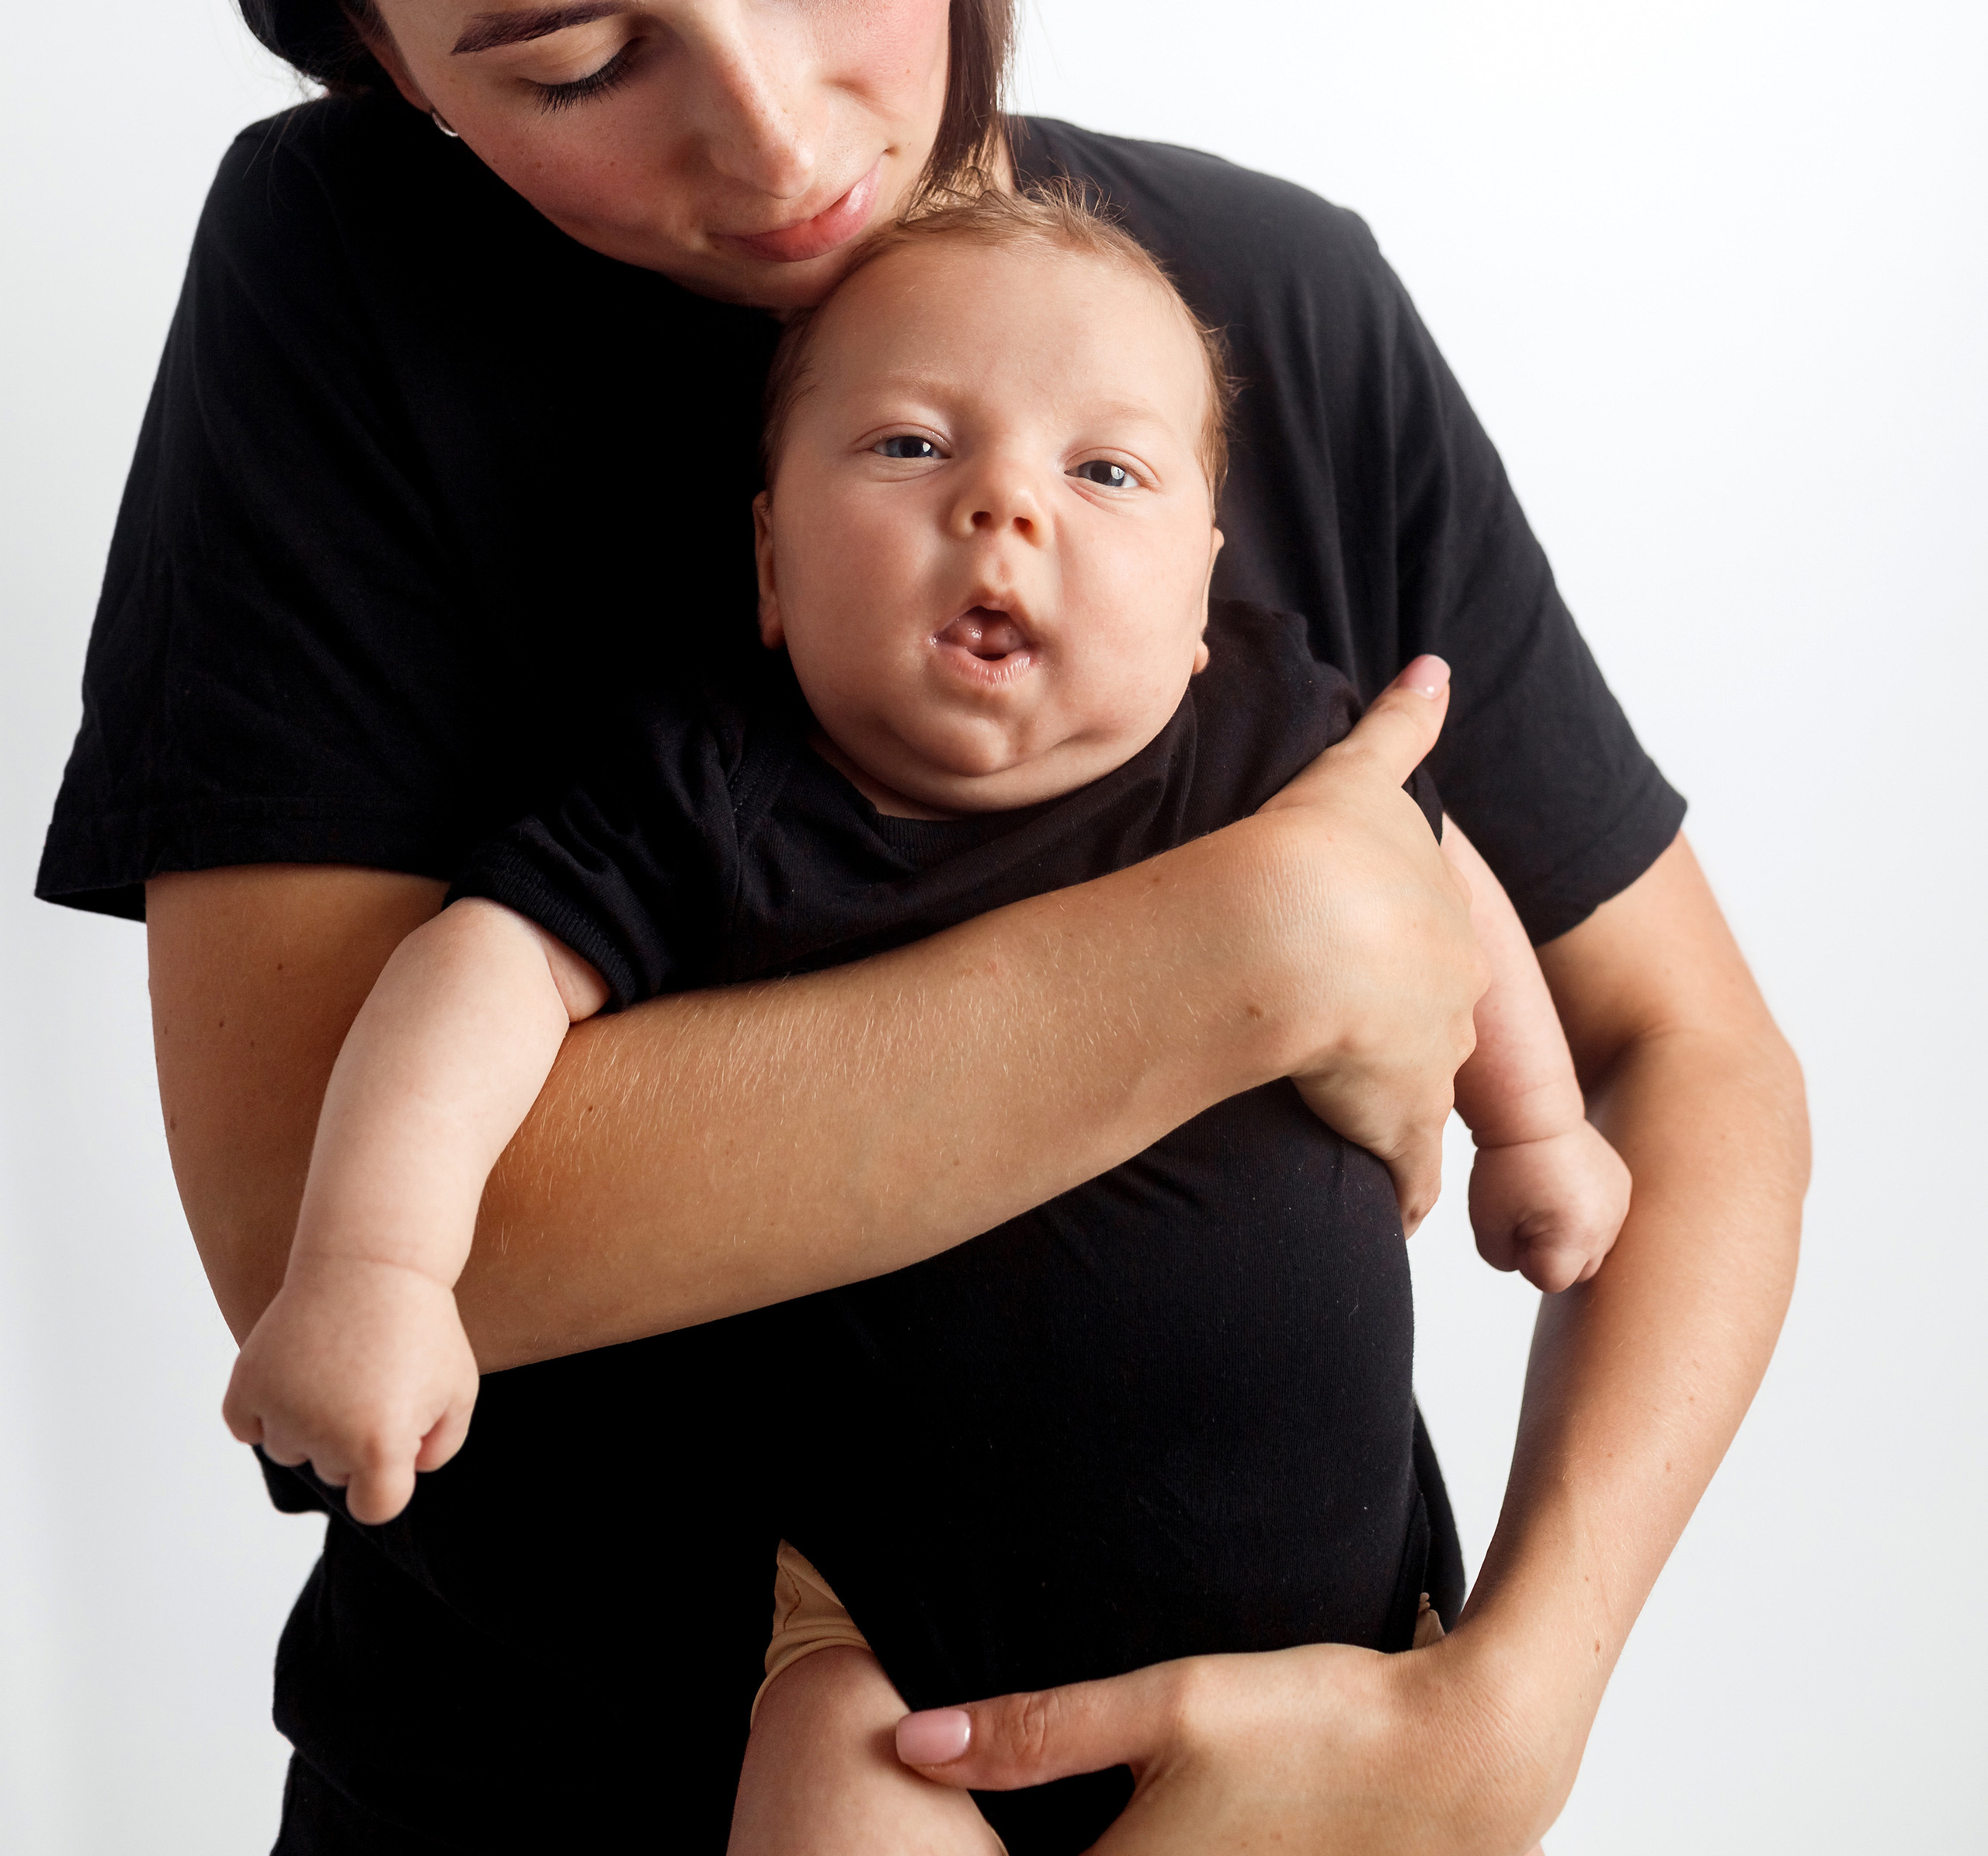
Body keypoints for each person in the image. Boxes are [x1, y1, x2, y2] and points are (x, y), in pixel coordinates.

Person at [36, 0, 1807, 1855]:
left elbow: (1692, 1067)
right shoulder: (348, 296)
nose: (776, 141)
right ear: (385, 65)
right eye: (569, 63)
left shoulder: (1266, 305)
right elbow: (321, 1225)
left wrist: (1512, 1704)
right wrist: (1253, 954)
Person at [220, 188, 1632, 1856]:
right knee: (830, 1773)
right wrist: (373, 1270)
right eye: (904, 448)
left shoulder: (1270, 735)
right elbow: (476, 974)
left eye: (1103, 473)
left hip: (1323, 1648)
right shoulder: (718, 792)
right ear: (765, 558)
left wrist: (1528, 1127)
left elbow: (1435, 878)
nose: (1001, 508)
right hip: (895, 1658)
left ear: (1199, 594)